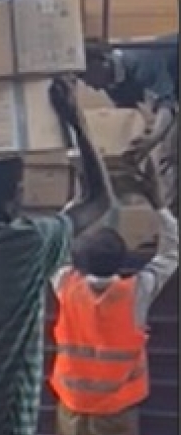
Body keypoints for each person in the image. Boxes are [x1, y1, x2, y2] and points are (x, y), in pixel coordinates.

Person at [0, 77, 114, 435]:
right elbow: (100, 201)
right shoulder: (26, 244)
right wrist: (76, 120)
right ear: (13, 196)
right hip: (0, 419)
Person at [49, 166, 179, 435]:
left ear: (80, 263)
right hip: (117, 411)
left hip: (72, 406)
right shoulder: (136, 293)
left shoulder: (66, 286)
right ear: (123, 262)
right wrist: (158, 203)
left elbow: (52, 243)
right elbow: (170, 254)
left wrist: (80, 200)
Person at [82, 33, 178, 215]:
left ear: (102, 61)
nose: (90, 87)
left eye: (87, 77)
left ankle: (173, 219)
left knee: (169, 153)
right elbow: (131, 114)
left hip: (172, 95)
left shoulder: (142, 61)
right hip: (173, 91)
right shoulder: (111, 82)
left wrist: (151, 139)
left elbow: (168, 106)